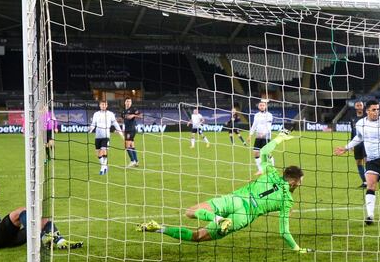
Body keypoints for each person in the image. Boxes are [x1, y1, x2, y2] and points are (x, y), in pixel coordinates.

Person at [136, 131, 312, 252]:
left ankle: (160, 228)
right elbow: (284, 232)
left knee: (189, 212)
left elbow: (264, 151)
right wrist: (297, 249)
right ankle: (218, 221)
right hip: (244, 216)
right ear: (294, 182)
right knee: (198, 236)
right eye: (300, 181)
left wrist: (280, 138)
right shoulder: (287, 200)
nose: (301, 184)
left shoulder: (272, 172)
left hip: (234, 200)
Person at [0, 177, 82, 249]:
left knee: (44, 220)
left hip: (9, 240)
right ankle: (42, 236)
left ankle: (60, 241)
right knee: (20, 211)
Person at [88, 100, 124, 175]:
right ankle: (105, 166)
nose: (103, 106)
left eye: (105, 104)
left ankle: (102, 167)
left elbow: (115, 124)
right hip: (98, 136)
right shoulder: (96, 114)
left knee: (103, 150)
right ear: (100, 105)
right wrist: (90, 129)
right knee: (98, 153)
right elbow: (93, 124)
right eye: (102, 104)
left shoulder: (110, 114)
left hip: (106, 135)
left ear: (106, 105)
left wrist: (120, 133)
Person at [249, 99, 274, 176]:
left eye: (263, 105)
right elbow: (254, 125)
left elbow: (269, 127)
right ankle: (260, 169)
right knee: (256, 153)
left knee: (267, 153)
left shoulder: (269, 115)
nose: (262, 106)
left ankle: (272, 168)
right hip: (258, 137)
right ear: (258, 106)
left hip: (266, 137)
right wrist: (250, 135)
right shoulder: (256, 115)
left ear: (265, 106)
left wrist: (264, 133)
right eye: (260, 105)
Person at [349, 100, 367, 188]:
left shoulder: (367, 117)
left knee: (367, 161)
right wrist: (351, 144)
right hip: (356, 144)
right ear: (355, 107)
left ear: (363, 107)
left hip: (366, 143)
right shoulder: (352, 118)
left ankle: (371, 179)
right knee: (358, 162)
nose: (359, 107)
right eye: (357, 105)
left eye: (360, 105)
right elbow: (352, 131)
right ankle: (365, 182)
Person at [121, 97, 142, 167]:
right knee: (132, 146)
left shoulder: (133, 109)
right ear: (125, 102)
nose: (129, 102)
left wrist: (133, 115)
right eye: (127, 101)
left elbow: (141, 116)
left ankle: (132, 160)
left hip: (131, 129)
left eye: (130, 101)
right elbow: (123, 120)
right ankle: (136, 161)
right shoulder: (123, 111)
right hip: (127, 130)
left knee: (126, 146)